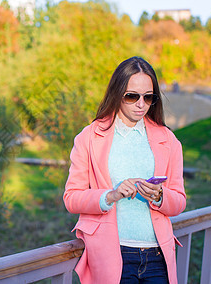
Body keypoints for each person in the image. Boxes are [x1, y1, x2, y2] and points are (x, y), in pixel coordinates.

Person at [63, 57, 186, 284]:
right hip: (111, 256)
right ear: (117, 93)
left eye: (148, 97)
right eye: (132, 96)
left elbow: (179, 201)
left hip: (157, 257)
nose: (141, 104)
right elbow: (71, 198)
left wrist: (160, 196)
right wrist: (110, 195)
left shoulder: (169, 140)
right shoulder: (88, 138)